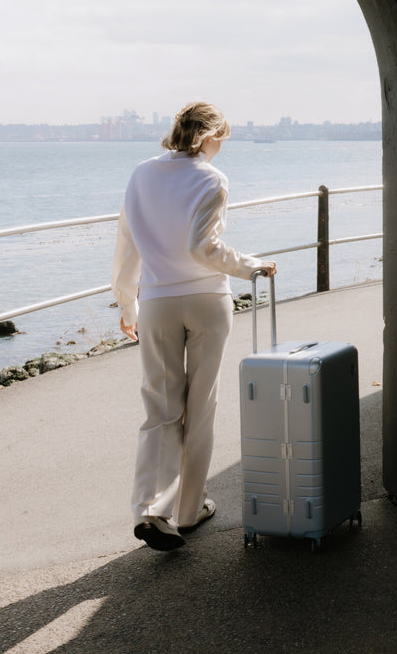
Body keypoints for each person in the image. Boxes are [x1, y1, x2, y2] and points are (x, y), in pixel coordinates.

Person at [112, 101, 276, 551]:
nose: (222, 146)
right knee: (200, 407)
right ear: (208, 136)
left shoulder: (141, 174)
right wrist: (253, 266)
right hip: (206, 301)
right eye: (222, 137)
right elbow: (205, 248)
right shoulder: (211, 178)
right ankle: (188, 511)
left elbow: (127, 246)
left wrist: (128, 306)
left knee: (160, 407)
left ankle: (150, 509)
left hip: (158, 302)